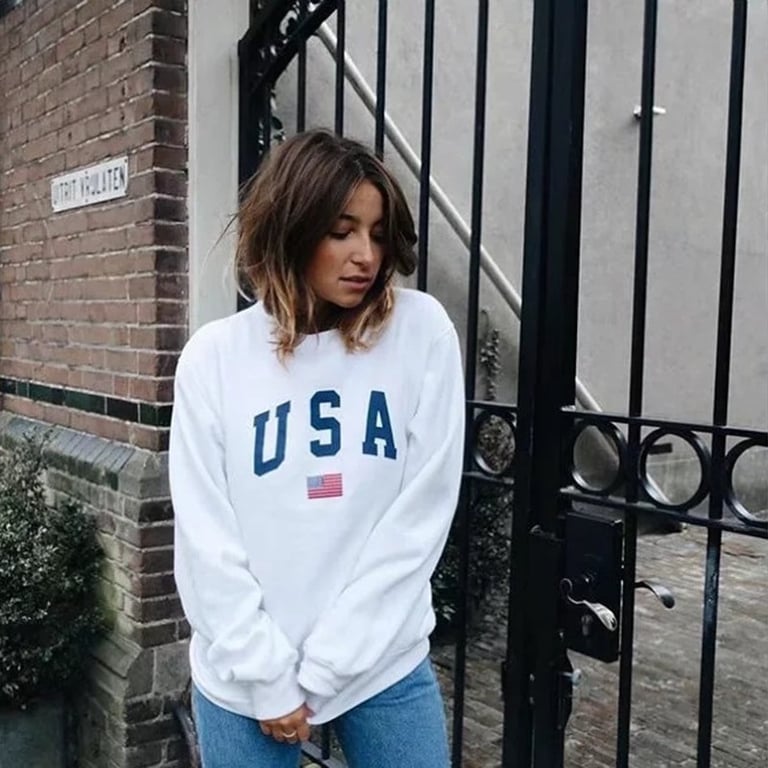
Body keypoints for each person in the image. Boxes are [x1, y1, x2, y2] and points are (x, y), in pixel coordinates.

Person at [169, 129, 465, 768]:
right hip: (244, 674)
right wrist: (266, 676)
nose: (366, 255)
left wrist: (330, 664)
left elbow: (419, 519)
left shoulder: (420, 335)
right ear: (293, 228)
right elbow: (205, 537)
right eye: (341, 231)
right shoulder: (214, 359)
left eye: (378, 234)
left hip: (382, 662)